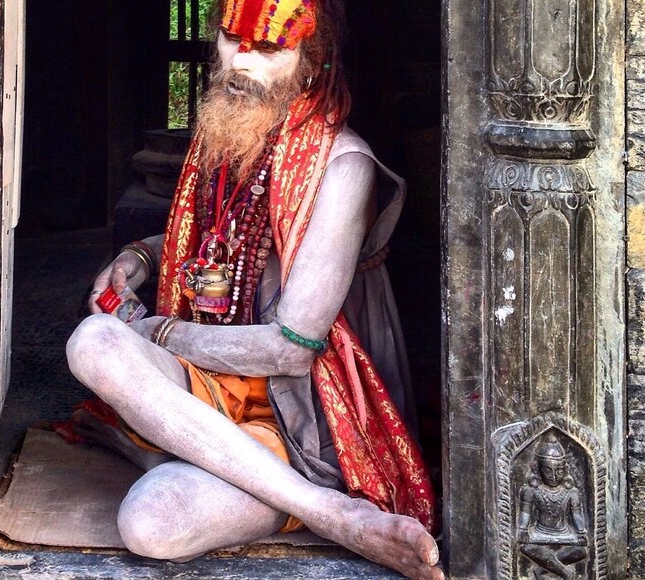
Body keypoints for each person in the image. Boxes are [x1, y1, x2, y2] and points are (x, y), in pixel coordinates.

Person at [64, 1, 441, 578]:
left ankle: (312, 494)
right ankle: (326, 515)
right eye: (231, 39)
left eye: (268, 49)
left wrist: (158, 332)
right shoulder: (235, 132)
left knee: (152, 524)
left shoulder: (344, 167)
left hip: (303, 417)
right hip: (212, 379)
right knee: (93, 342)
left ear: (310, 63)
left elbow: (292, 347)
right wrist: (137, 258)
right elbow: (219, 236)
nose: (242, 60)